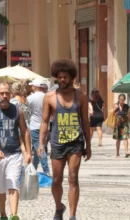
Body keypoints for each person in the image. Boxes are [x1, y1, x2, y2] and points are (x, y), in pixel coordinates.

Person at [38, 59, 91, 220]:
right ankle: (59, 206)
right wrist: (41, 143)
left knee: (73, 177)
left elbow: (85, 121)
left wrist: (88, 145)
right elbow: (45, 121)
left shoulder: (80, 96)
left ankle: (73, 215)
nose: (62, 80)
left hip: (76, 143)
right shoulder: (49, 97)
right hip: (57, 143)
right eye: (59, 77)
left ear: (72, 77)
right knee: (56, 179)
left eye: (65, 77)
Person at [0, 82, 32, 220]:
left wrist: (28, 152)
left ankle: (13, 215)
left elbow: (25, 131)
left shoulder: (18, 110)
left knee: (13, 185)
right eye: (2, 93)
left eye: (7, 93)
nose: (4, 96)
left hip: (14, 154)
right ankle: (3, 214)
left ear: (10, 94)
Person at [27, 78, 50, 175]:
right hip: (46, 126)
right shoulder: (47, 97)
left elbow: (27, 112)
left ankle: (46, 170)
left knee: (39, 148)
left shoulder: (30, 98)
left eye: (32, 85)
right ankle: (34, 167)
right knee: (39, 147)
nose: (31, 87)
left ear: (35, 87)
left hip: (34, 126)